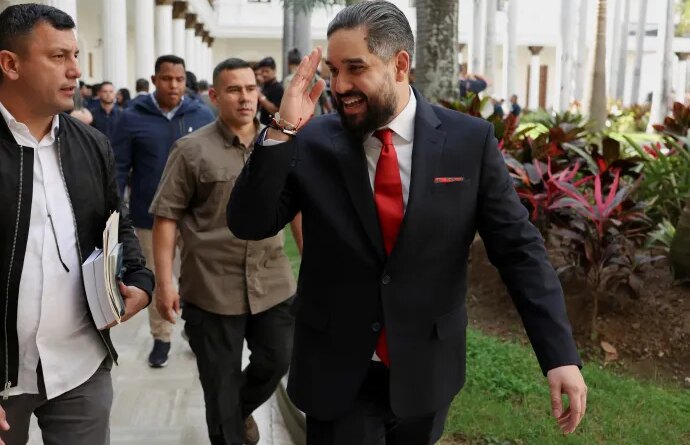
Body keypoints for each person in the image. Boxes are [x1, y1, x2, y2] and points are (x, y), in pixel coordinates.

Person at [227, 2, 587, 444]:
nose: (339, 86)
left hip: (427, 371)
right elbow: (250, 222)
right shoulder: (312, 140)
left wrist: (559, 355)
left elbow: (518, 250)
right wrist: (281, 131)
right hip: (336, 371)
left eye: (355, 68)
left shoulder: (468, 142)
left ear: (400, 65)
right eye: (334, 70)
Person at [0, 4, 154, 445]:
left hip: (82, 365)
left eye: (76, 55)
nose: (76, 71)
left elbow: (115, 225)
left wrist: (139, 277)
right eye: (58, 57)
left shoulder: (92, 144)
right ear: (10, 63)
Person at [150, 57, 297, 445]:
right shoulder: (190, 150)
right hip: (212, 289)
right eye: (234, 90)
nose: (245, 98)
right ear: (215, 95)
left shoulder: (281, 145)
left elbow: (298, 211)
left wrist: (313, 268)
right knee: (220, 387)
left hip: (273, 283)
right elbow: (166, 219)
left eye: (250, 89)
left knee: (277, 359)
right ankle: (232, 427)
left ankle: (240, 410)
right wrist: (164, 285)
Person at [112, 55, 214, 368]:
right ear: (155, 80)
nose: (174, 85)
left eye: (179, 79)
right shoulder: (131, 118)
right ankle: (162, 337)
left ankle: (195, 331)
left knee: (196, 279)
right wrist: (117, 210)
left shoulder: (202, 114)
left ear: (186, 82)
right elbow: (118, 168)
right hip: (149, 217)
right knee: (159, 278)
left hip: (194, 217)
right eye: (167, 79)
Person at [283, 48, 332, 116]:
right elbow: (325, 100)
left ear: (288, 63)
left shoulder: (288, 80)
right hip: (315, 118)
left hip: (297, 120)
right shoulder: (313, 76)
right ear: (301, 61)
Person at [255, 57, 284, 126]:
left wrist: (261, 96)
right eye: (262, 71)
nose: (264, 74)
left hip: (272, 130)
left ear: (274, 71)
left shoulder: (278, 88)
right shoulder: (264, 86)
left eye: (267, 71)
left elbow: (277, 112)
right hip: (262, 127)